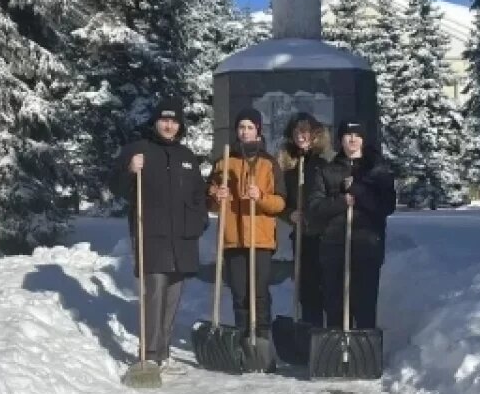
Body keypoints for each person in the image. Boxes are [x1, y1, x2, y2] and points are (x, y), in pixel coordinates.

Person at [109, 98, 207, 369]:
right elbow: (115, 187)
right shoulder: (139, 150)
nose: (169, 125)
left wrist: (199, 223)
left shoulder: (187, 157)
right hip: (151, 233)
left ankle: (163, 351)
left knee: (174, 295)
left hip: (183, 238)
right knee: (155, 292)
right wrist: (130, 171)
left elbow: (199, 194)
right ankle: (150, 353)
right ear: (155, 122)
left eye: (174, 121)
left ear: (180, 125)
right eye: (164, 120)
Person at [308, 118, 396, 330]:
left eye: (357, 135)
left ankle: (363, 355)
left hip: (367, 246)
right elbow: (315, 207)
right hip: (334, 247)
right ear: (341, 139)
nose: (353, 139)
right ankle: (337, 354)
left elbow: (386, 206)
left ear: (363, 139)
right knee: (335, 305)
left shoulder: (378, 171)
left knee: (365, 304)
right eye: (348, 135)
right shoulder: (327, 171)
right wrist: (341, 201)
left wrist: (359, 192)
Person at [208, 108, 286, 336]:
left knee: (259, 292)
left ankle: (261, 337)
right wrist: (216, 196)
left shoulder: (268, 164)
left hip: (260, 239)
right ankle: (243, 337)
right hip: (232, 238)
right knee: (239, 292)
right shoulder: (224, 162)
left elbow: (280, 203)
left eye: (250, 127)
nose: (245, 132)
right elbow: (209, 200)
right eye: (241, 127)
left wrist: (260, 197)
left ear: (258, 131)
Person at [277, 112, 330, 327]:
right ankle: (310, 335)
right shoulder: (288, 168)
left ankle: (329, 337)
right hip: (302, 236)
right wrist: (289, 214)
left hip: (326, 236)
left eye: (306, 130)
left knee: (327, 289)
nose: (302, 135)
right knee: (306, 292)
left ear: (315, 134)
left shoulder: (325, 163)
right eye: (297, 131)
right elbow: (279, 200)